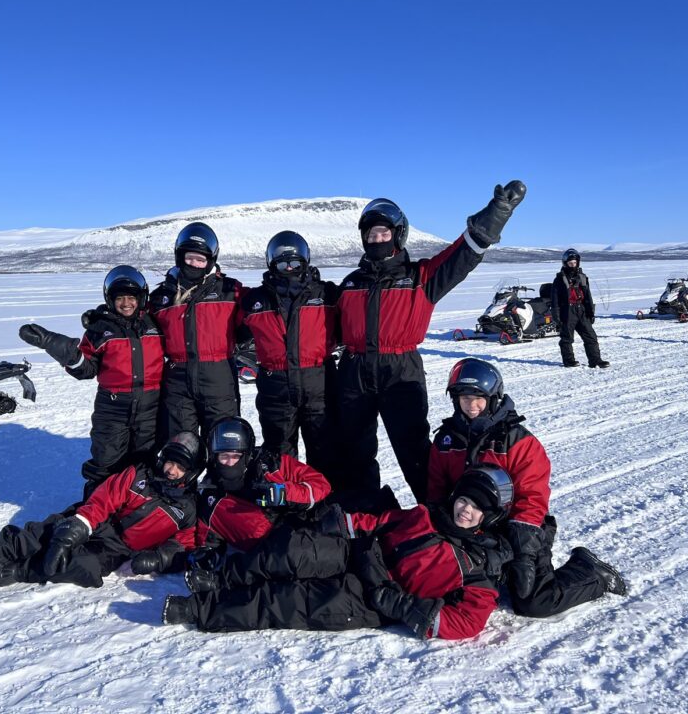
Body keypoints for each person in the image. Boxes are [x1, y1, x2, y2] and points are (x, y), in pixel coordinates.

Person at [332, 181, 526, 503]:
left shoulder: (421, 277)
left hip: (400, 371)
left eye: (383, 233)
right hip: (354, 370)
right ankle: (363, 519)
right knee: (354, 451)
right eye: (371, 234)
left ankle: (438, 515)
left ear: (397, 235)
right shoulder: (350, 284)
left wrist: (496, 215)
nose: (377, 239)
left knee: (415, 452)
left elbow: (462, 255)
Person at [162, 465, 514, 640]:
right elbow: (379, 522)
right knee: (290, 550)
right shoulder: (427, 516)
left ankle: (198, 609)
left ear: (489, 517)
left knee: (289, 601)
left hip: (373, 597)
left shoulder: (478, 568)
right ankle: (219, 578)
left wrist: (402, 605)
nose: (465, 511)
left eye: (476, 509)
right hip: (358, 553)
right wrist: (337, 523)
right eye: (464, 500)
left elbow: (467, 622)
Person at [427, 357, 626, 618]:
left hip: (518, 526)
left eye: (479, 398)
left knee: (533, 602)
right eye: (465, 398)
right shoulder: (446, 440)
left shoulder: (517, 441)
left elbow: (532, 497)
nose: (472, 406)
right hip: (469, 525)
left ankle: (592, 573)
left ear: (493, 398)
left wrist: (523, 550)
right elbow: (436, 490)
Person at [0, 432, 204, 600]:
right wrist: (77, 527)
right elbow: (104, 499)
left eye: (180, 466)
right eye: (170, 461)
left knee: (84, 568)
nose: (171, 470)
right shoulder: (139, 475)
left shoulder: (187, 510)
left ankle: (21, 570)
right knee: (29, 538)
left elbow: (183, 545)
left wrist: (160, 559)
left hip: (117, 549)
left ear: (191, 472)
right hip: (94, 520)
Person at [18, 265, 165, 497]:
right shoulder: (101, 329)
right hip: (112, 409)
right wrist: (60, 348)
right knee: (107, 462)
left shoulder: (154, 325)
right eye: (120, 299)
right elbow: (86, 368)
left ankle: (139, 512)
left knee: (145, 463)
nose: (126, 303)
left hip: (150, 407)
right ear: (109, 299)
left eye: (131, 298)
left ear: (141, 298)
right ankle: (95, 514)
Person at [241, 231, 339, 472]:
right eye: (282, 263)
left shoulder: (327, 294)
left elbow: (353, 323)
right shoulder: (255, 300)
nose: (289, 268)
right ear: (272, 264)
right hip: (276, 389)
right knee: (280, 455)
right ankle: (287, 504)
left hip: (319, 385)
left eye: (295, 263)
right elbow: (230, 329)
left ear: (305, 262)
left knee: (325, 450)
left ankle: (324, 502)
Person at [148, 222, 246, 437]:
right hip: (177, 381)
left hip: (219, 379)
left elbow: (261, 312)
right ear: (179, 256)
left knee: (223, 444)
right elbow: (138, 326)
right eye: (190, 258)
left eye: (200, 260)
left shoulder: (230, 291)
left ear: (210, 261)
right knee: (179, 448)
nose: (194, 264)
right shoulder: (162, 297)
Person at [193, 415, 333, 555]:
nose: (230, 462)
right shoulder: (211, 497)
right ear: (214, 457)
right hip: (264, 556)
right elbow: (208, 538)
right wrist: (206, 558)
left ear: (247, 454)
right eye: (224, 456)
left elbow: (321, 485)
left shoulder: (272, 464)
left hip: (304, 534)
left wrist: (286, 493)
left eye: (236, 456)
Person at [551, 248, 609, 369]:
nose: (573, 265)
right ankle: (569, 361)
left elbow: (588, 296)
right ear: (565, 263)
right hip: (568, 311)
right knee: (567, 338)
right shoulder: (559, 280)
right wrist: (557, 317)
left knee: (591, 336)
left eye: (575, 263)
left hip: (581, 309)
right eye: (570, 263)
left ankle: (595, 360)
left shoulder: (582, 277)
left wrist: (591, 312)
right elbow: (555, 300)